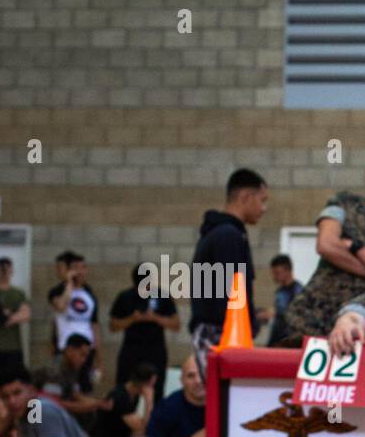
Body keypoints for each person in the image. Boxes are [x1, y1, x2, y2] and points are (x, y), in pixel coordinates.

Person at [282, 142, 365, 344]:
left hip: (358, 332)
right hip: (311, 321)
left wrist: (356, 248)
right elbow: (326, 245)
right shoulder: (344, 204)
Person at [189, 168, 267, 361]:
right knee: (223, 392)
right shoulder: (227, 235)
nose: (264, 208)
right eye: (262, 200)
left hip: (217, 331)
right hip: (221, 335)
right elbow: (231, 291)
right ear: (246, 196)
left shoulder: (221, 233)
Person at [110, 264, 177, 401]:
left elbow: (176, 324)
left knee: (156, 390)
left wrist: (155, 318)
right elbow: (113, 325)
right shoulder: (125, 297)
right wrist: (132, 319)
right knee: (125, 388)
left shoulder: (161, 296)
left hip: (155, 350)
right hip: (131, 349)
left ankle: (154, 419)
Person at [33, 335, 106, 434]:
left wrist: (98, 403)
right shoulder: (54, 371)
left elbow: (74, 393)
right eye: (82, 355)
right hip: (38, 415)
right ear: (70, 350)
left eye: (86, 356)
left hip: (52, 409)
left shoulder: (71, 366)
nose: (84, 360)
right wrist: (86, 407)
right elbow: (53, 404)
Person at [46, 252, 100, 383]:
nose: (80, 271)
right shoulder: (58, 290)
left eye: (83, 267)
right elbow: (61, 306)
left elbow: (94, 325)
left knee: (84, 384)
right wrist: (69, 282)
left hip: (86, 347)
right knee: (63, 383)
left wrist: (99, 359)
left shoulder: (89, 294)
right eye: (76, 267)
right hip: (65, 347)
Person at [94, 361, 157, 437]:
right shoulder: (120, 397)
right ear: (143, 384)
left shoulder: (133, 395)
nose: (152, 389)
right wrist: (149, 402)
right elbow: (144, 428)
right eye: (151, 385)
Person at [0, 258, 31, 375]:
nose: (5, 272)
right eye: (3, 269)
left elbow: (26, 314)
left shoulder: (17, 293)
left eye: (8, 269)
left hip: (12, 347)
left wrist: (5, 317)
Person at [265, 254, 304, 348]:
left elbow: (296, 317)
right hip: (276, 340)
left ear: (287, 271)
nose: (275, 276)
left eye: (277, 273)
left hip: (289, 343)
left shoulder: (298, 291)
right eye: (273, 273)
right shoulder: (280, 292)